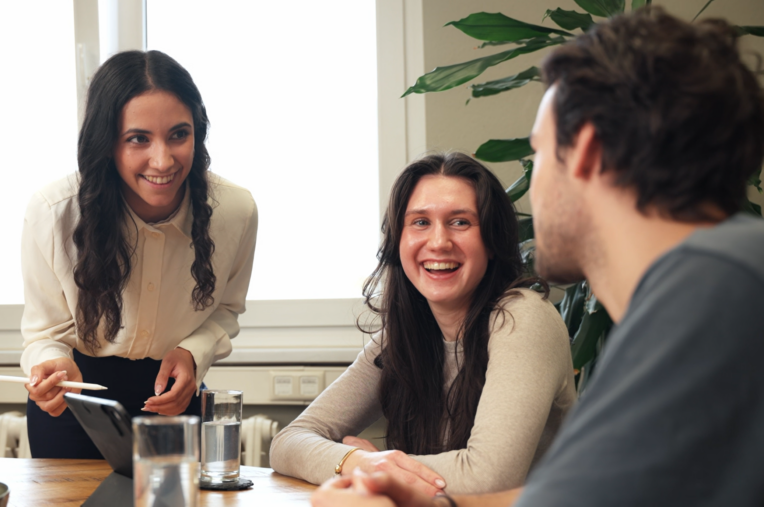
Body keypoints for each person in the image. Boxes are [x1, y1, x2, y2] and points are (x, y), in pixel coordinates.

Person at [311, 6, 764, 507]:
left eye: (539, 151)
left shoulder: (710, 289)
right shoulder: (711, 280)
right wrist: (419, 496)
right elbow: (582, 495)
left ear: (585, 151)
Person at [270, 152, 576, 495]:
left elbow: (488, 477)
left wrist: (380, 472)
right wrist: (362, 463)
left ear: (491, 241)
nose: (439, 242)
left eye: (460, 222)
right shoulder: (404, 334)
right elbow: (288, 442)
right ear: (398, 241)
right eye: (420, 222)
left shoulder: (523, 317)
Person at [19, 50, 258, 459]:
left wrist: (193, 353)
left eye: (179, 135)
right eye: (138, 139)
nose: (163, 160)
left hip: (173, 399)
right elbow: (45, 332)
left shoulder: (235, 212)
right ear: (107, 142)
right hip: (76, 400)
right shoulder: (53, 212)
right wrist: (50, 362)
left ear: (198, 133)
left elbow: (226, 310)